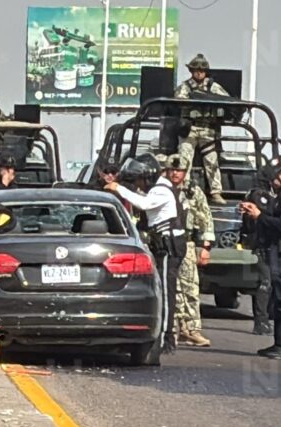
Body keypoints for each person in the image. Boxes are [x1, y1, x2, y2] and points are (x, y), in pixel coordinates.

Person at [105, 154, 186, 354]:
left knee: (167, 291)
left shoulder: (160, 190)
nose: (139, 185)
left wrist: (119, 189)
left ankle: (166, 337)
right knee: (161, 289)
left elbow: (145, 204)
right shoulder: (160, 188)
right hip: (163, 244)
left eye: (140, 180)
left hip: (169, 245)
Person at [240, 158, 281, 360]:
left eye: (274, 179)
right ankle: (280, 343)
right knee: (278, 299)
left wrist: (259, 216)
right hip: (278, 252)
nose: (272, 184)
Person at [162, 153, 214, 347]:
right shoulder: (160, 190)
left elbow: (205, 218)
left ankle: (192, 329)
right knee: (170, 287)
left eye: (180, 170)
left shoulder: (193, 191)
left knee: (190, 287)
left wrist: (206, 247)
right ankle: (172, 329)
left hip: (188, 242)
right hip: (166, 242)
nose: (176, 174)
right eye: (172, 169)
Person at [175, 54, 230, 205]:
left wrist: (209, 99)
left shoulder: (213, 87)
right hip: (190, 129)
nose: (199, 73)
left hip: (207, 129)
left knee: (212, 161)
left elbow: (226, 99)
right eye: (195, 70)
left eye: (202, 70)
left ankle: (216, 192)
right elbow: (178, 100)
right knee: (184, 159)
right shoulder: (185, 86)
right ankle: (183, 189)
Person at [240, 165, 275, 336]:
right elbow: (264, 216)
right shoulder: (259, 195)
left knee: (265, 283)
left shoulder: (253, 193)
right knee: (264, 284)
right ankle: (261, 322)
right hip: (261, 244)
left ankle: (263, 320)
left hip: (259, 243)